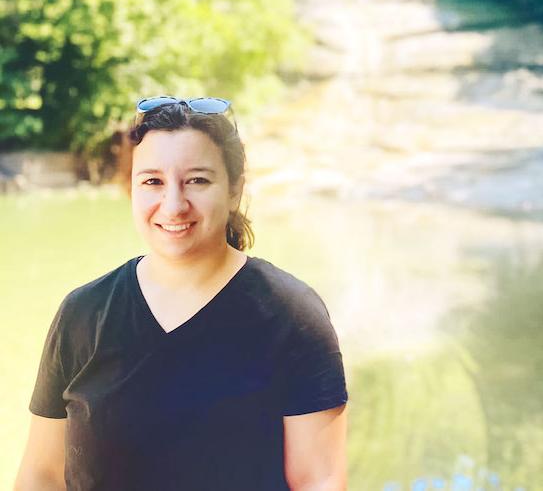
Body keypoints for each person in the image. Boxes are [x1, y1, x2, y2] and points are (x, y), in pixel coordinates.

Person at [14, 96, 349, 491]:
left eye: (197, 180)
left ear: (234, 190)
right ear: (130, 188)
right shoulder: (83, 313)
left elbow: (319, 480)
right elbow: (41, 476)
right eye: (152, 181)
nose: (173, 205)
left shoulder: (291, 315)